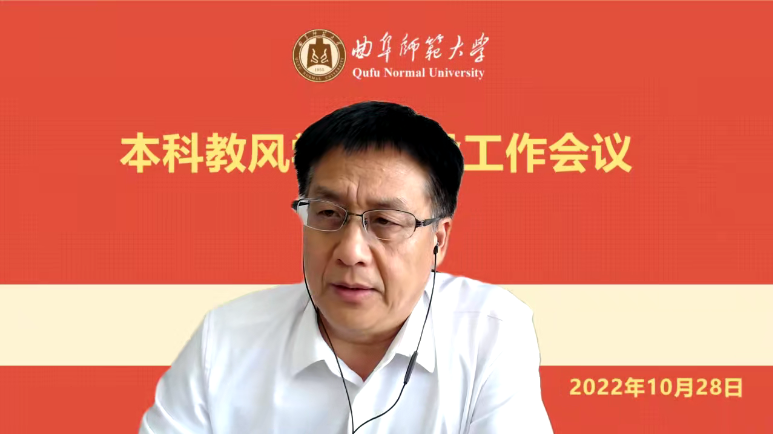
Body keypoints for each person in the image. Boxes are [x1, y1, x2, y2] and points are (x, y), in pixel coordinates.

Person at [139, 101, 553, 433]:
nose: (351, 251)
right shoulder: (226, 338)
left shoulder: (490, 332)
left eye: (385, 221)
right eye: (328, 213)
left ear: (438, 241)